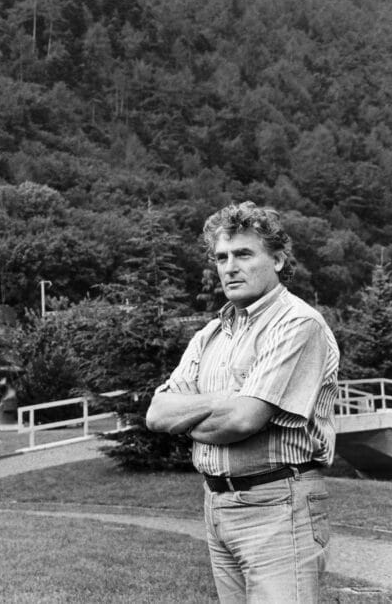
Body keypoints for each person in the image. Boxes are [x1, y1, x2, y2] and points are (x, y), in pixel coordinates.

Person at [146, 202, 339, 603]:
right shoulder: (211, 334)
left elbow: (242, 420)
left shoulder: (297, 325)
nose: (230, 267)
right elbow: (157, 413)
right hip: (216, 504)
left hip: (278, 504)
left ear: (279, 260)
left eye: (244, 254)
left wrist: (195, 411)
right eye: (222, 257)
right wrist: (225, 398)